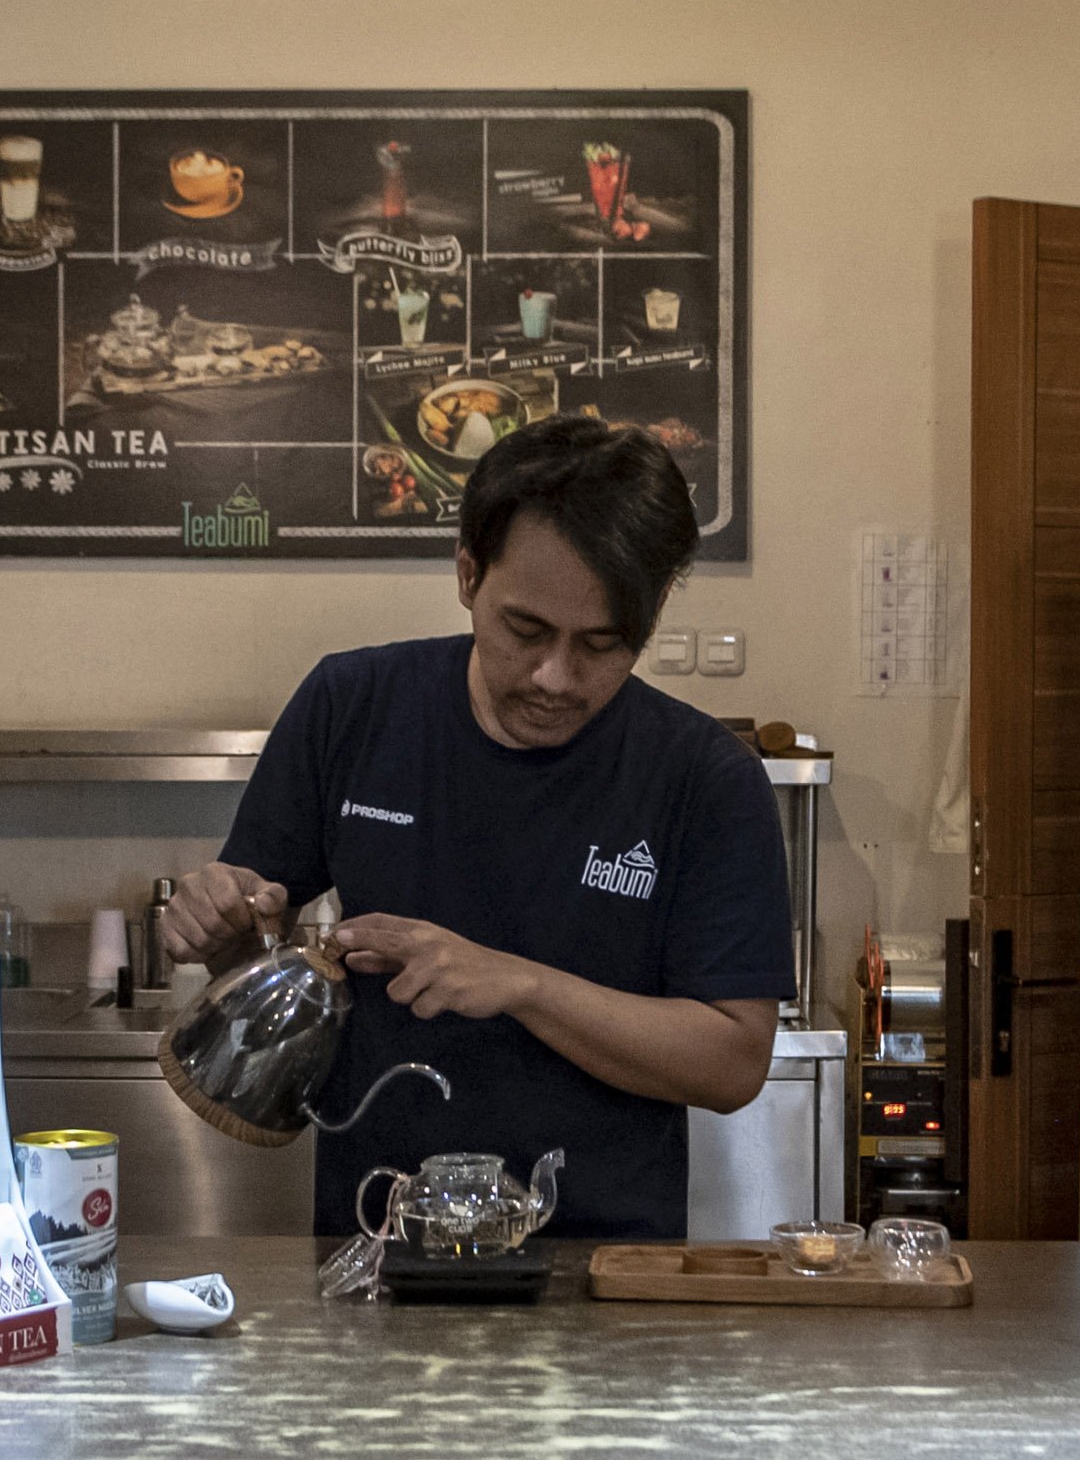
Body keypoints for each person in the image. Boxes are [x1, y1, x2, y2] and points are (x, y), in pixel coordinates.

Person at [160, 415, 792, 1241]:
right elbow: (254, 944)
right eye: (525, 630)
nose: (555, 677)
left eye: (604, 644)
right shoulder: (352, 705)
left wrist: (519, 983)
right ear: (466, 574)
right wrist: (218, 922)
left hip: (601, 1271)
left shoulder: (704, 776)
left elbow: (733, 1059)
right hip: (374, 1244)